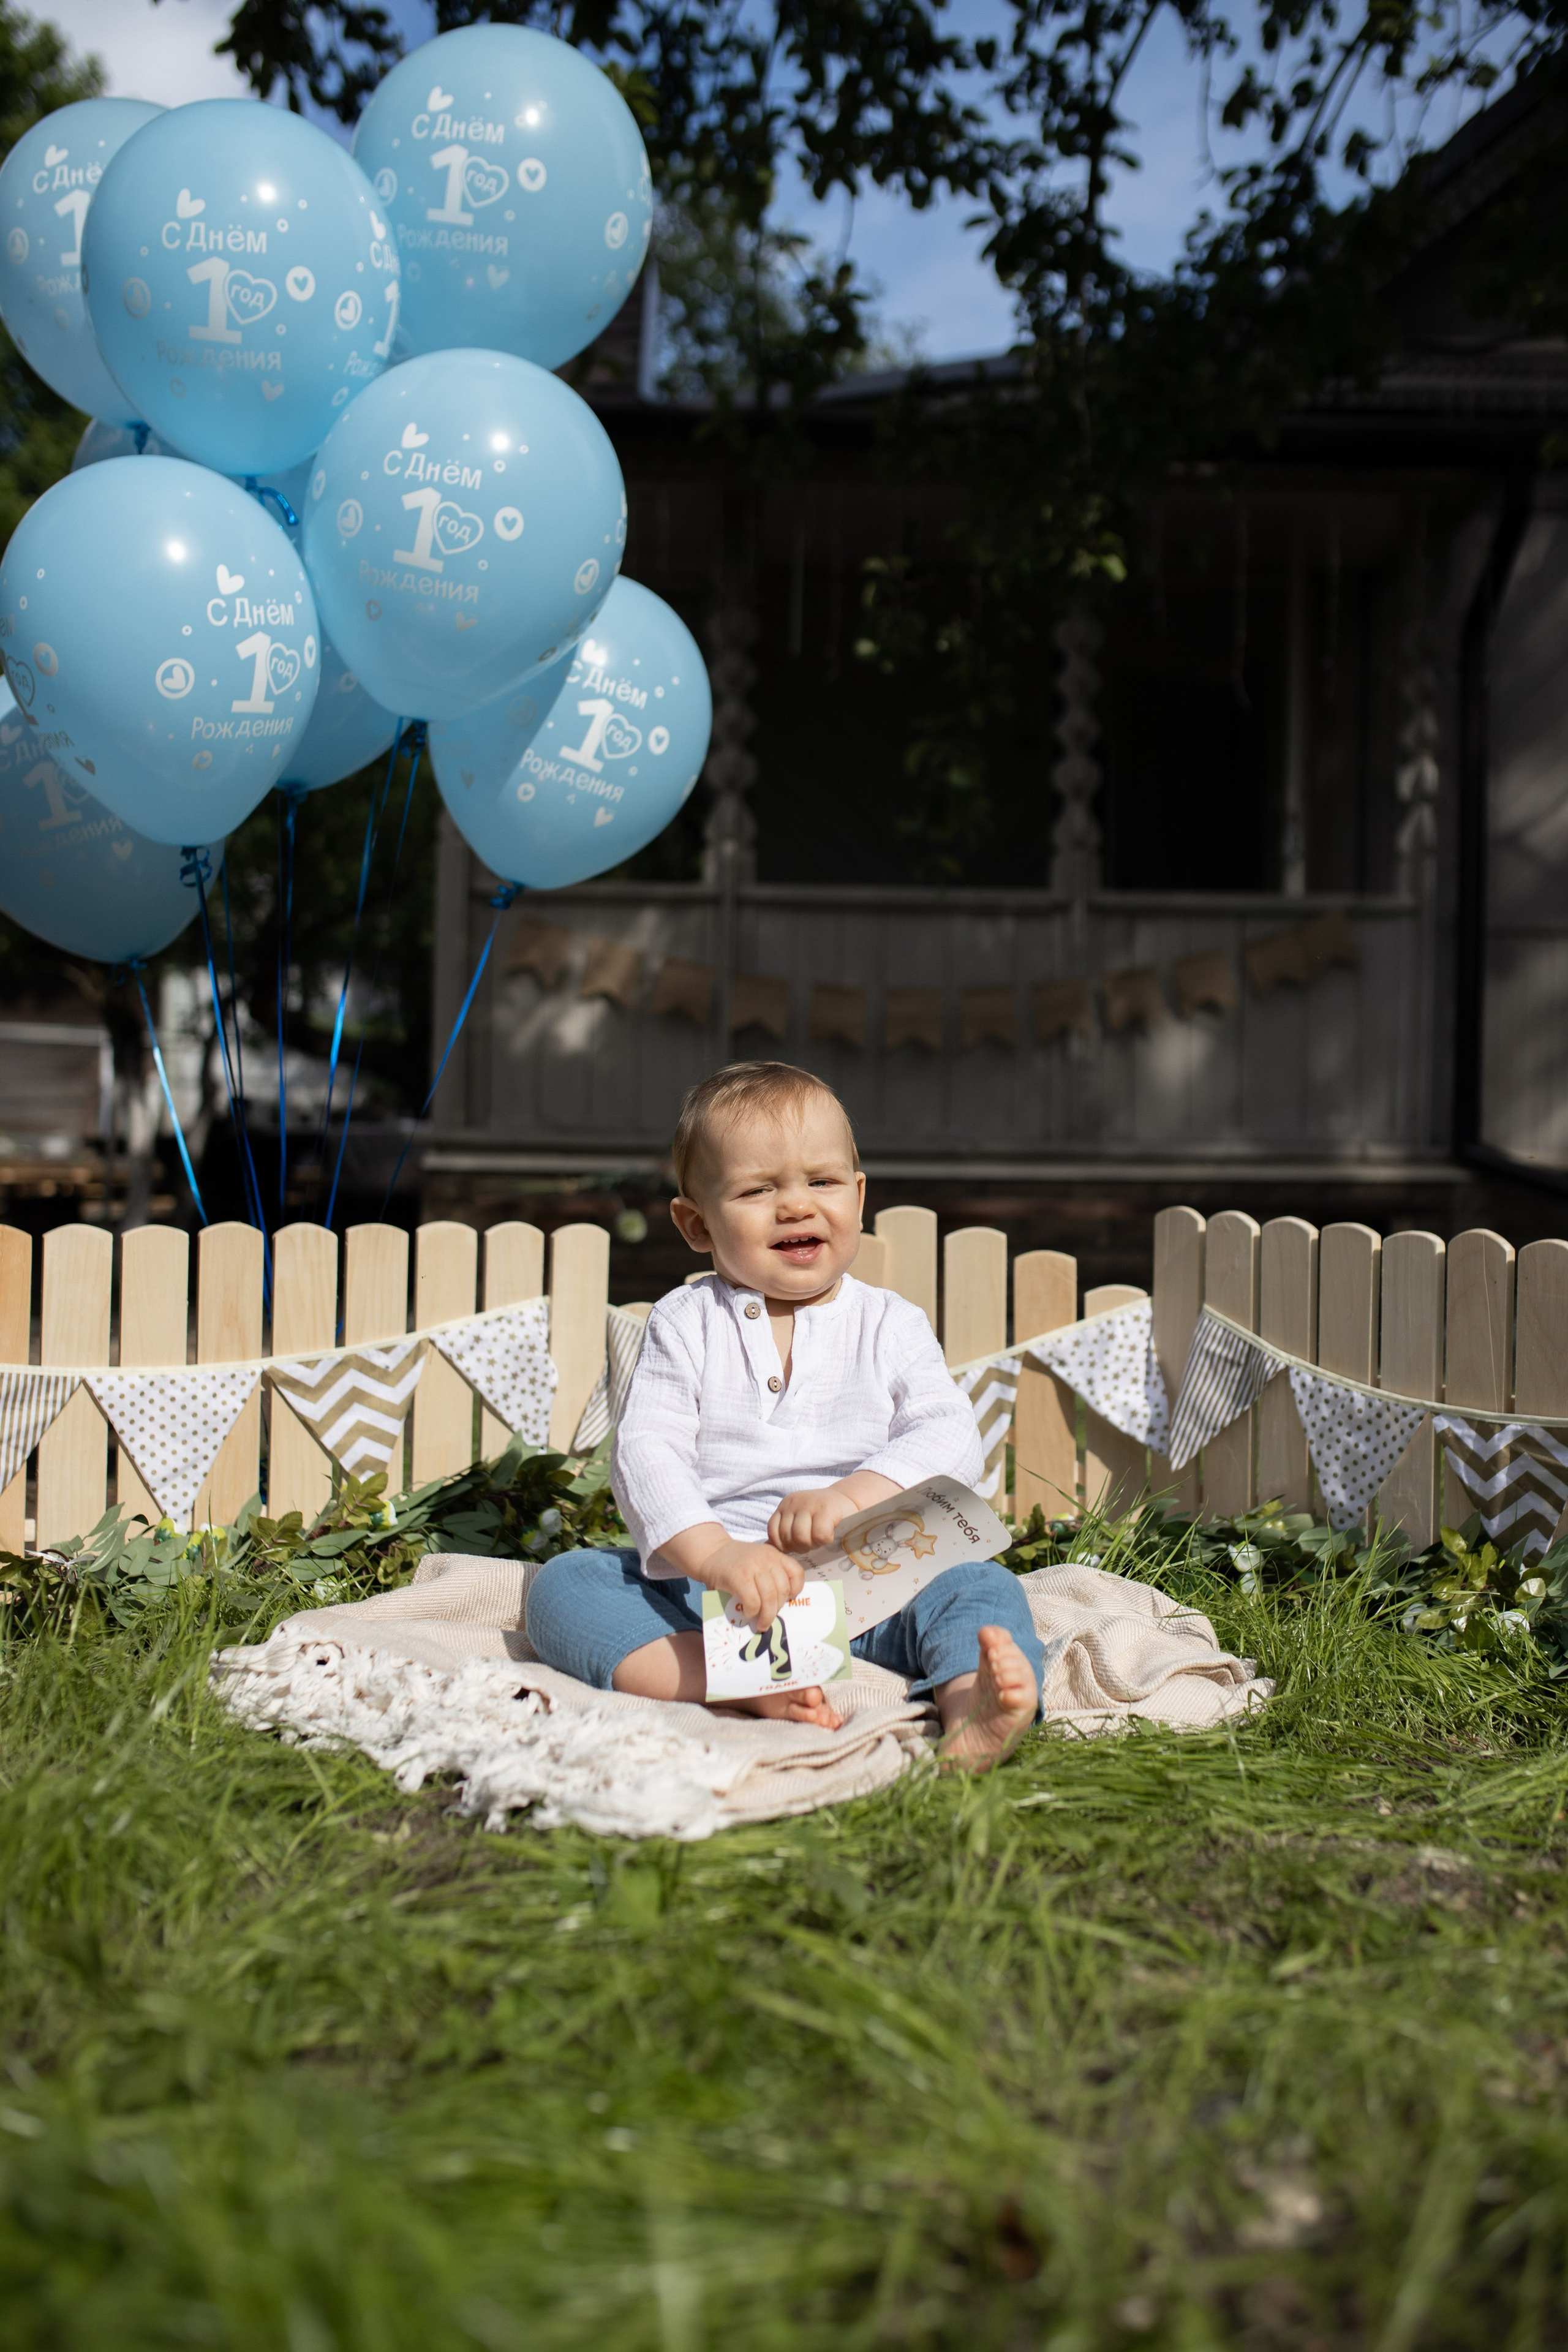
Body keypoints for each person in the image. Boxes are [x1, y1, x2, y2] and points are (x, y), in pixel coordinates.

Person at [526, 1060, 1043, 1769]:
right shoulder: (685, 1321)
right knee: (567, 1585)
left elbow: (950, 1436)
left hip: (879, 1579)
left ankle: (970, 1710)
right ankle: (738, 1681)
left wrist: (851, 1497)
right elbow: (648, 1449)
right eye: (758, 1189)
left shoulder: (889, 1322)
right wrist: (717, 1555)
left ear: (858, 1198)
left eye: (822, 1182)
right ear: (695, 1223)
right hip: (720, 1595)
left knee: (981, 1587)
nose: (796, 1206)